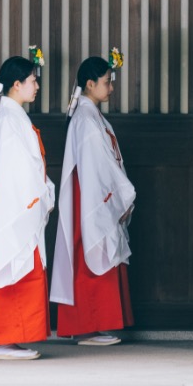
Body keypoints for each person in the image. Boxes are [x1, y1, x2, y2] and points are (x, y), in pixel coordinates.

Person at [0, 53, 54, 361]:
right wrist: (38, 196)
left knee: (22, 272)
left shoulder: (11, 116)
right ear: (17, 85)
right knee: (14, 269)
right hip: (15, 208)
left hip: (22, 204)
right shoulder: (8, 121)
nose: (37, 86)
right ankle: (4, 340)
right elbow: (15, 171)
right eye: (33, 81)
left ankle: (12, 338)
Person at [52, 53, 135, 345]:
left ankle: (95, 324)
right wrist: (116, 197)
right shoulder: (86, 119)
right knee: (92, 253)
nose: (110, 88)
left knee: (95, 255)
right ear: (89, 84)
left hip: (92, 192)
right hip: (90, 195)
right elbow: (98, 165)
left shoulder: (89, 115)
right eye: (106, 82)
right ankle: (88, 325)